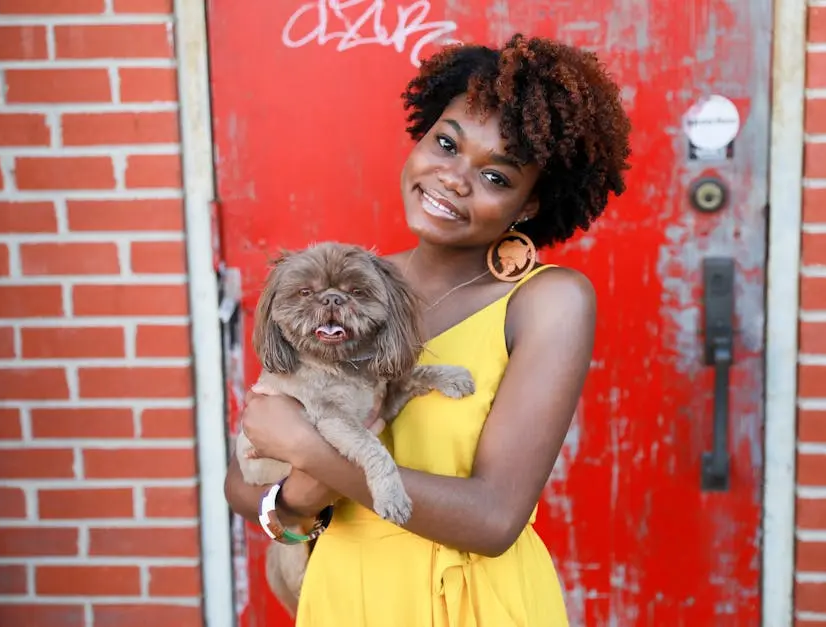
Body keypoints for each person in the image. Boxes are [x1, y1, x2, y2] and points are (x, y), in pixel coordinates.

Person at [224, 33, 631, 626]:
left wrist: (314, 454)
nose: (453, 178)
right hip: (346, 599)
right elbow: (245, 478)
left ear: (531, 204)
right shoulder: (351, 291)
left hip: (474, 605)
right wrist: (293, 506)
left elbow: (493, 520)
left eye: (497, 177)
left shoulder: (547, 301)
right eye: (446, 143)